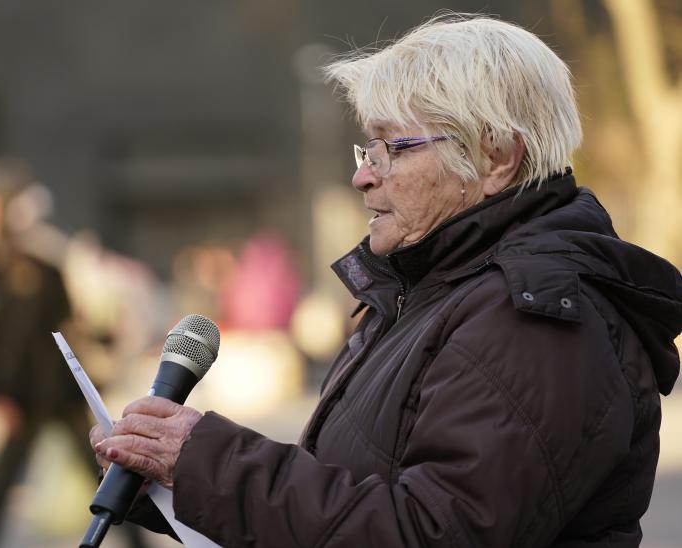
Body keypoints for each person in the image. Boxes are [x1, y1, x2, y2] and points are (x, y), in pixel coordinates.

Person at [90, 15, 682, 547]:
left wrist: (209, 462)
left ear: (496, 157)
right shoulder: (430, 291)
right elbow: (346, 501)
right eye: (368, 146)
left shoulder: (536, 321)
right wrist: (168, 483)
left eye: (393, 148)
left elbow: (429, 532)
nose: (362, 175)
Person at [0, 160, 148, 548]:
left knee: (12, 482)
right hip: (55, 389)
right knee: (100, 469)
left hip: (41, 392)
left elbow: (16, 337)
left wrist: (3, 390)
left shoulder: (25, 261)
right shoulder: (33, 255)